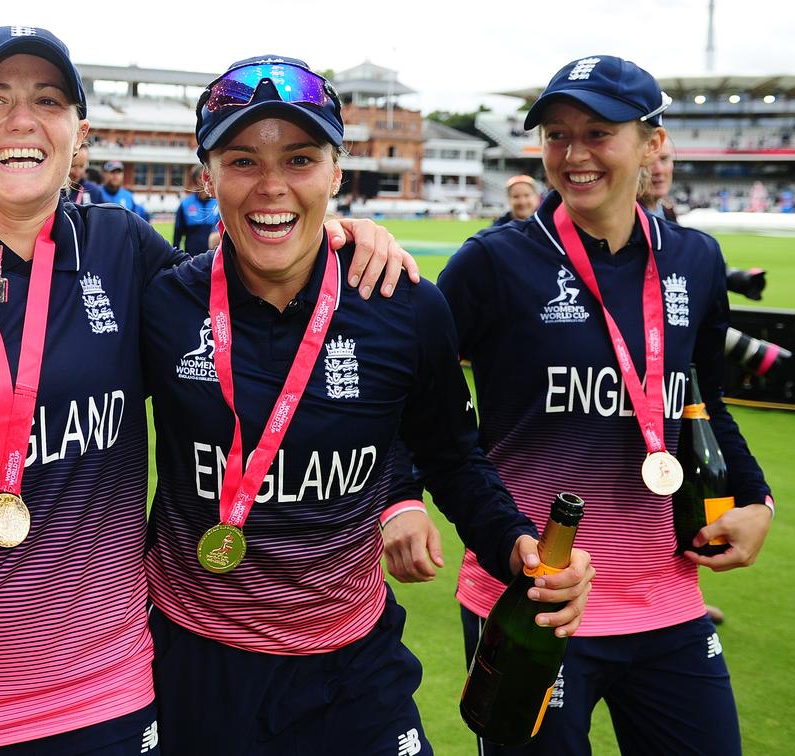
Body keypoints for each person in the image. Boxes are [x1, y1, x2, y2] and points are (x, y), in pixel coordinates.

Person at [0, 27, 419, 755]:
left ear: (79, 132)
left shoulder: (125, 251)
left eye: (49, 100)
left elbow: (268, 332)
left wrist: (339, 239)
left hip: (109, 702)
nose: (22, 120)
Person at [141, 55, 593, 756]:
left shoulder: (407, 306)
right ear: (206, 177)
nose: (271, 187)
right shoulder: (164, 304)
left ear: (335, 174)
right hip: (195, 661)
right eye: (240, 161)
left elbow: (453, 456)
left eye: (299, 159)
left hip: (352, 670)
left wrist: (515, 545)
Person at [437, 55, 774, 755]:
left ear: (653, 144)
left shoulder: (697, 260)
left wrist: (756, 499)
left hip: (669, 598)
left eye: (598, 132)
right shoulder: (492, 263)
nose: (574, 154)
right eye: (557, 135)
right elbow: (425, 412)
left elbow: (703, 398)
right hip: (539, 598)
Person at [170, 165, 218, 255]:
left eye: (209, 176)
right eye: (201, 177)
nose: (206, 180)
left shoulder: (219, 204)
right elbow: (177, 235)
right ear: (195, 180)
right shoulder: (185, 204)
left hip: (215, 260)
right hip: (193, 260)